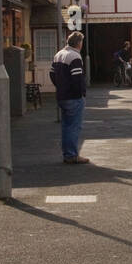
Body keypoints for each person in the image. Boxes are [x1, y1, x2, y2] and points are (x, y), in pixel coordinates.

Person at [51, 31, 90, 164]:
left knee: (66, 126)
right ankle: (72, 155)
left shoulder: (58, 54)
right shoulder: (75, 57)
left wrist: (60, 86)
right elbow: (77, 79)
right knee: (74, 126)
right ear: (79, 43)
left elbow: (52, 74)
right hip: (74, 97)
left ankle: (67, 153)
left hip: (61, 96)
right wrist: (81, 94)